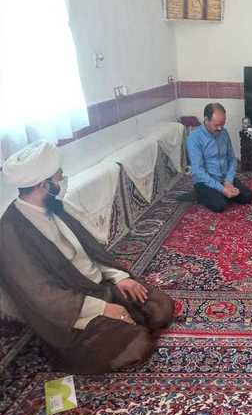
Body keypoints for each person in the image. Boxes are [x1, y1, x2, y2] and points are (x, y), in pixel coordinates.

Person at [0, 141, 174, 374]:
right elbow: (44, 297)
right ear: (44, 184)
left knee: (161, 307)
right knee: (137, 344)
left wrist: (120, 278)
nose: (64, 180)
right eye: (59, 176)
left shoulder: (55, 206)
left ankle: (126, 320)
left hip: (101, 287)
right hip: (72, 313)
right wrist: (102, 309)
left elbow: (91, 251)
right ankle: (124, 327)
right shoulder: (10, 232)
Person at [187, 103, 252, 213]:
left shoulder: (224, 132)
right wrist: (222, 189)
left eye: (222, 124)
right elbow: (198, 171)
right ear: (206, 120)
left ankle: (218, 194)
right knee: (220, 206)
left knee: (248, 196)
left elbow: (232, 159)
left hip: (224, 179)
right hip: (205, 181)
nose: (220, 128)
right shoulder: (194, 138)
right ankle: (200, 194)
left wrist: (228, 181)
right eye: (217, 125)